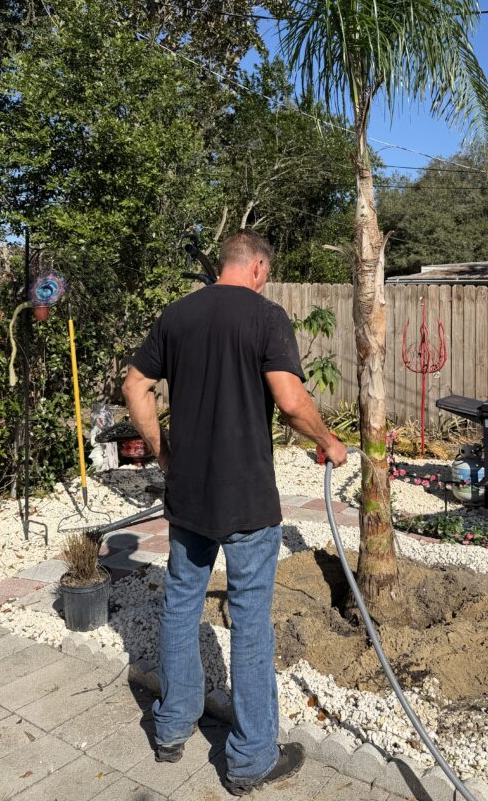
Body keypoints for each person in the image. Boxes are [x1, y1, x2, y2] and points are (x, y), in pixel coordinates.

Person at [122, 230, 347, 796]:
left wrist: (164, 452)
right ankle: (249, 760)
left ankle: (171, 729)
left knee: (180, 606)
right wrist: (329, 440)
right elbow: (291, 402)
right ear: (259, 267)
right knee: (249, 622)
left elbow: (134, 387)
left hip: (189, 497)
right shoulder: (266, 318)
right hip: (247, 499)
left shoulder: (176, 315)